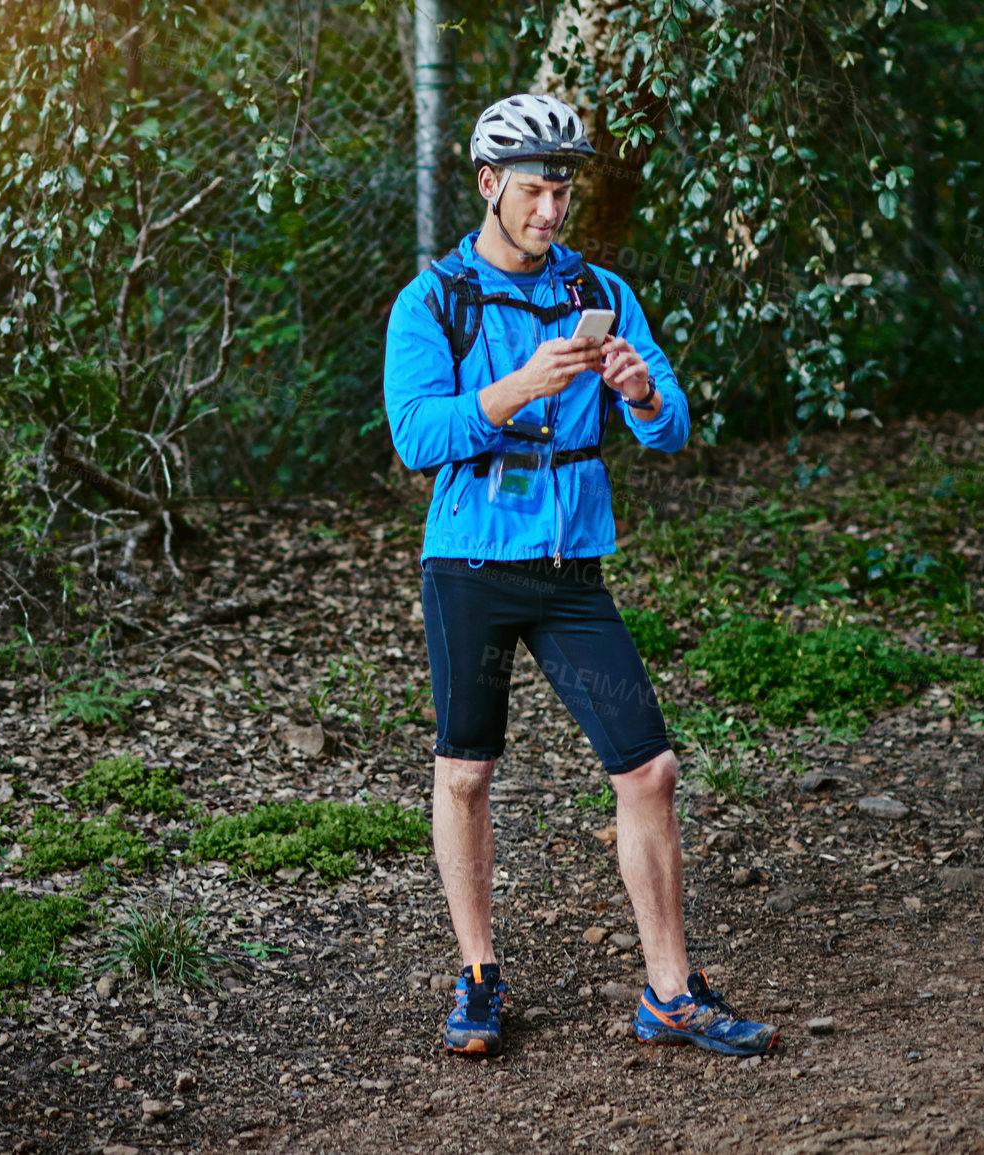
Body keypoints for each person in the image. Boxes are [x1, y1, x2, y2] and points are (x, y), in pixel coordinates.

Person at [382, 93, 778, 1059]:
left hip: (570, 576)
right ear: (487, 185)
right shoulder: (431, 300)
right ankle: (477, 974)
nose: (550, 212)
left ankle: (671, 992)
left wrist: (639, 392)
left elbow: (672, 427)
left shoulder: (598, 288)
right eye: (531, 192)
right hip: (471, 565)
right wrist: (519, 389)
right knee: (466, 773)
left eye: (561, 192)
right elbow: (413, 436)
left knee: (649, 767)